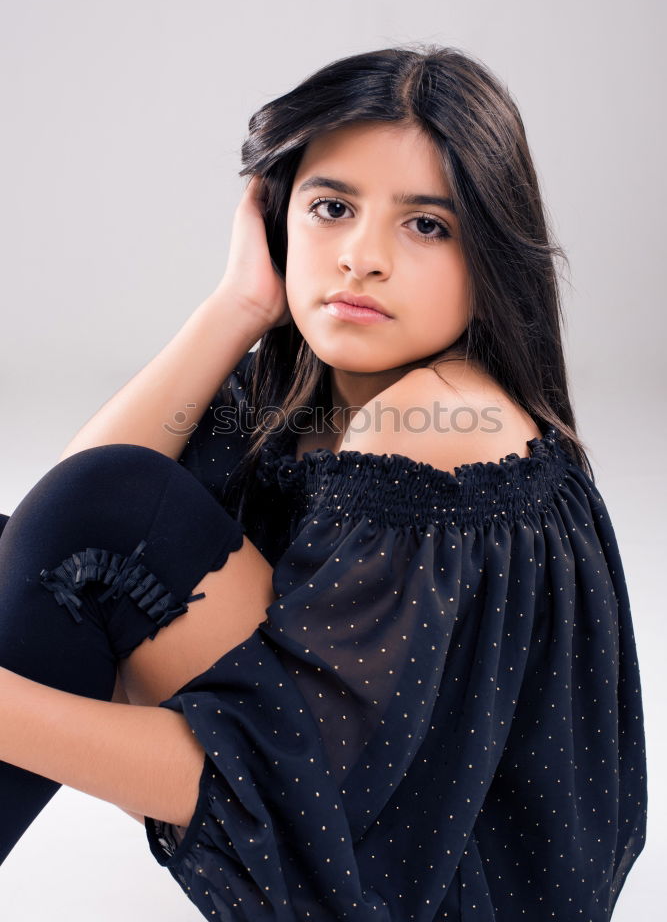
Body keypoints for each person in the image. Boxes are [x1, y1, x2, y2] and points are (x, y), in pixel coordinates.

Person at [0, 45, 647, 920]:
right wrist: (237, 306)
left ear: (489, 256)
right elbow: (55, 533)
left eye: (427, 225)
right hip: (334, 826)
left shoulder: (437, 423)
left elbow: (280, 799)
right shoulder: (298, 391)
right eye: (331, 208)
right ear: (276, 218)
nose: (361, 257)